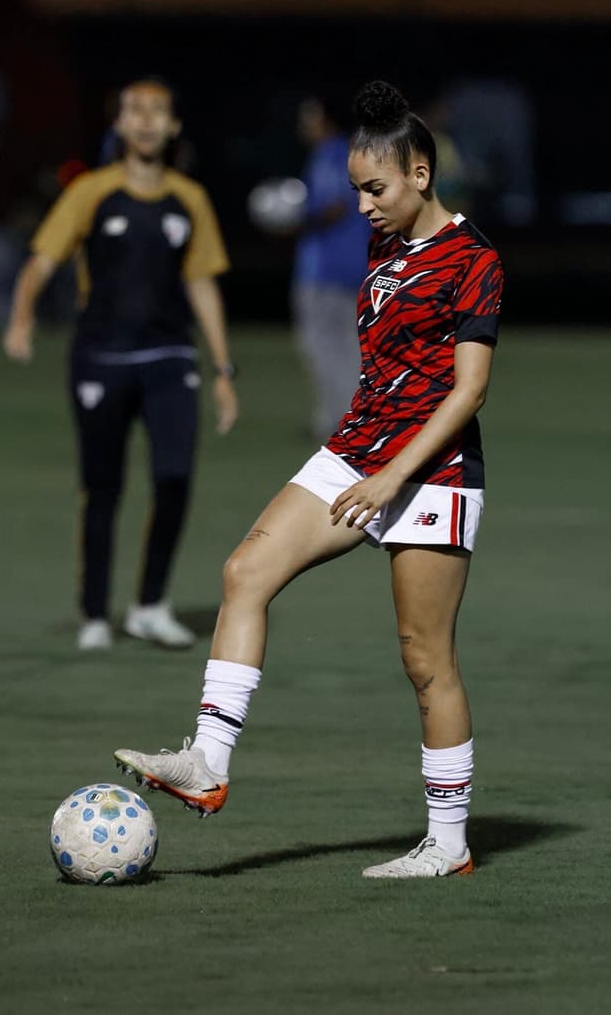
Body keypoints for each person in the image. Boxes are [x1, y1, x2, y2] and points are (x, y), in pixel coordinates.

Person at [115, 80, 503, 878]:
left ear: (420, 173)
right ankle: (210, 763)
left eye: (375, 188)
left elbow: (468, 390)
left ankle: (448, 842)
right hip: (358, 450)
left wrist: (394, 474)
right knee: (244, 571)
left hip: (433, 471)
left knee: (425, 657)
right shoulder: (383, 248)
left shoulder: (476, 259)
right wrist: (365, 455)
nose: (361, 205)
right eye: (356, 188)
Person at [3, 76, 239, 651]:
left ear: (174, 126)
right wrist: (22, 317)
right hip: (100, 357)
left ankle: (150, 604)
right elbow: (41, 259)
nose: (147, 119)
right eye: (135, 109)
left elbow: (203, 283)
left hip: (169, 355)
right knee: (103, 488)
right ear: (120, 123)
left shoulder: (190, 199)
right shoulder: (91, 191)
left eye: (158, 110)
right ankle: (93, 615)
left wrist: (224, 372)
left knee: (175, 478)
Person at [291, 93, 371, 439]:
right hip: (358, 264)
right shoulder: (357, 152)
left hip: (327, 269)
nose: (303, 124)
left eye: (308, 116)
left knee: (320, 345)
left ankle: (339, 420)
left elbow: (335, 205)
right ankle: (354, 418)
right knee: (351, 348)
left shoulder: (332, 154)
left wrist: (294, 219)